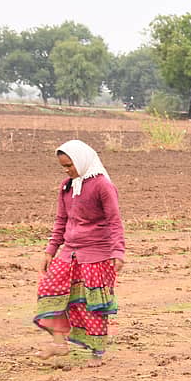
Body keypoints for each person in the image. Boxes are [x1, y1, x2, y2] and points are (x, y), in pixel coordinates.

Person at [34, 140, 125, 366]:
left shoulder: (103, 186)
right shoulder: (67, 186)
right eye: (64, 167)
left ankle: (97, 351)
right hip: (70, 252)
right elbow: (61, 221)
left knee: (92, 303)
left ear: (82, 160)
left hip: (97, 254)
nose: (67, 171)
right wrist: (50, 250)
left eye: (69, 165)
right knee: (50, 290)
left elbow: (114, 221)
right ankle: (58, 343)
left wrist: (118, 251)